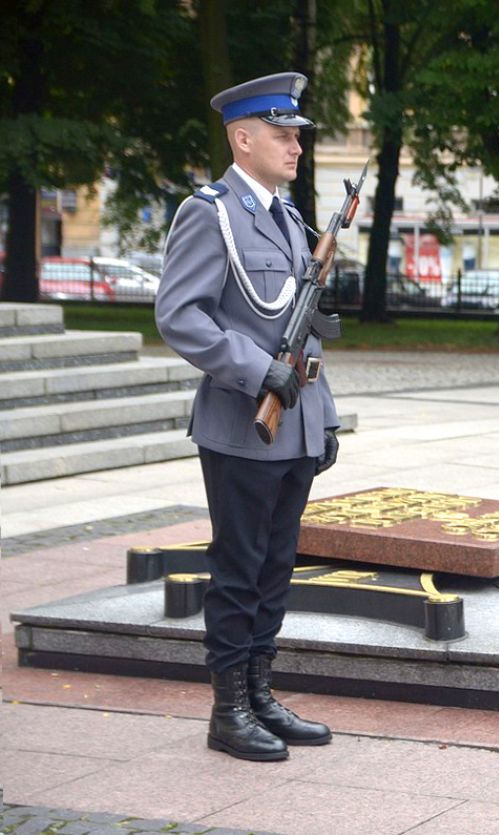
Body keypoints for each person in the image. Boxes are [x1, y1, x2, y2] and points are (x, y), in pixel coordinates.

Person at [155, 72, 339, 762]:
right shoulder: (212, 212)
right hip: (241, 423)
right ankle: (228, 709)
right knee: (239, 567)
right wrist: (254, 370)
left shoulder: (289, 217)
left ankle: (261, 692)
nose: (296, 146)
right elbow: (180, 315)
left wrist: (325, 417)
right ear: (243, 137)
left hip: (293, 424)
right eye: (283, 134)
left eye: (296, 135)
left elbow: (305, 329)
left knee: (277, 567)